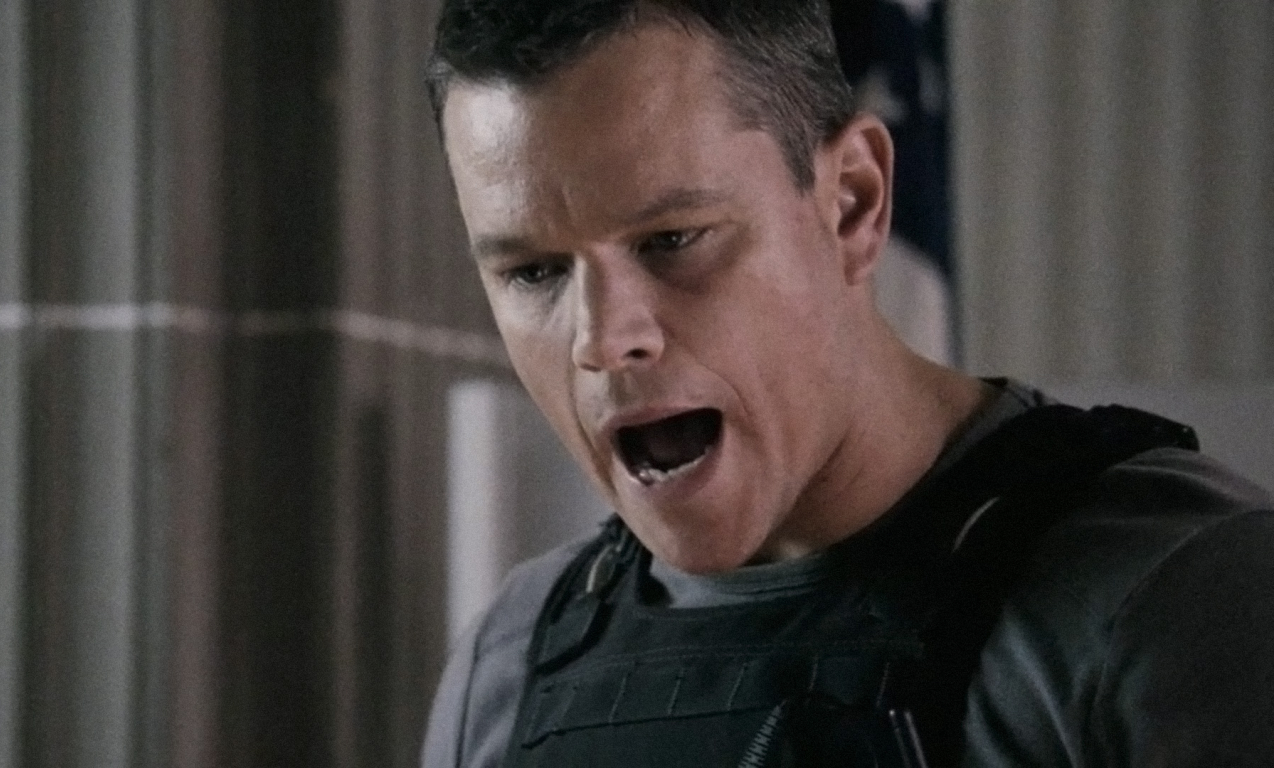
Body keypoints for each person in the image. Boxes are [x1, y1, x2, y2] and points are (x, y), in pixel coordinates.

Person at [419, 1, 1274, 765]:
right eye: (534, 273)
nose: (603, 341)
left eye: (672, 240)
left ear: (852, 202)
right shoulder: (511, 660)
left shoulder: (1179, 602)